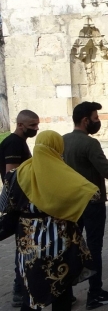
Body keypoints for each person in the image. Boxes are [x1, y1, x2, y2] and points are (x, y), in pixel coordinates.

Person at [3, 130, 99, 311]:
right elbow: (94, 195)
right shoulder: (65, 175)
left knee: (30, 292)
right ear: (58, 148)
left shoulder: (16, 174)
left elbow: (5, 206)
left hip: (28, 242)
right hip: (60, 242)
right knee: (61, 290)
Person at [62, 102, 108, 309]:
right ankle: (95, 293)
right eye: (96, 118)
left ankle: (66, 294)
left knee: (71, 247)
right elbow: (107, 171)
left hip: (70, 204)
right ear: (85, 121)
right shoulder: (90, 144)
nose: (97, 121)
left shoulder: (62, 141)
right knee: (94, 248)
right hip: (91, 204)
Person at [0, 109, 40, 308]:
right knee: (24, 248)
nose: (36, 129)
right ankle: (19, 290)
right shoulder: (14, 143)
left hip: (22, 203)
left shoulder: (18, 141)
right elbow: (12, 175)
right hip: (20, 206)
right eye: (32, 125)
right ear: (20, 125)